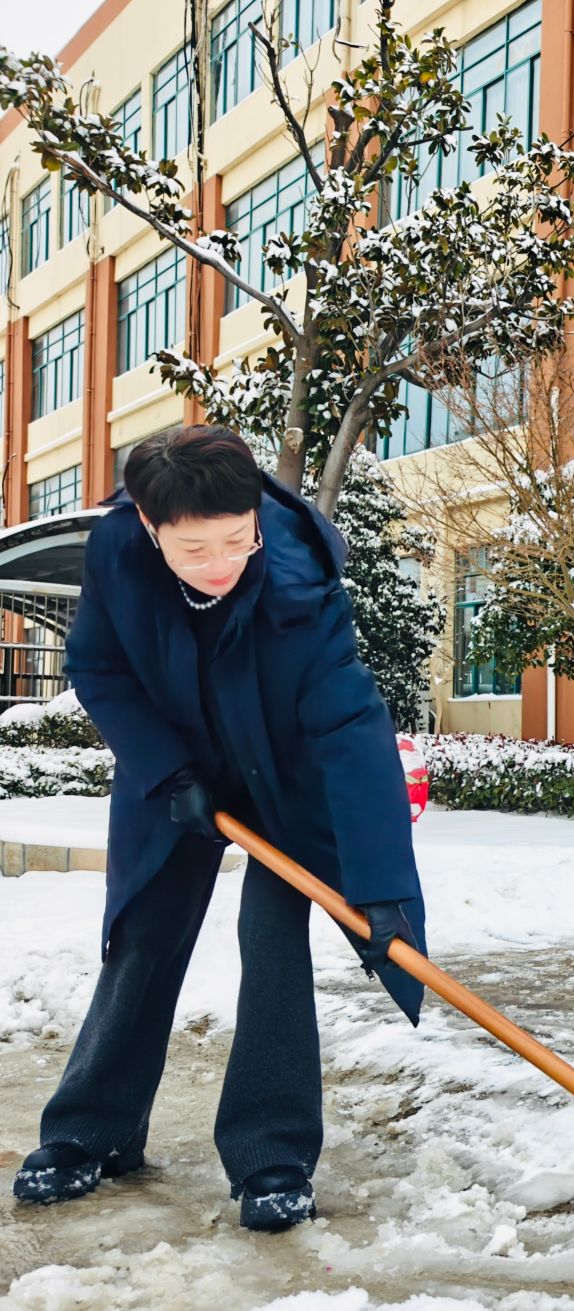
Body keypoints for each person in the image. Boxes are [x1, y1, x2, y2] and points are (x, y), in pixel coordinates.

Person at [12, 426, 425, 1232]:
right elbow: (99, 669)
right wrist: (169, 772)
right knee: (145, 934)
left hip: (283, 776)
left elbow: (349, 725)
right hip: (174, 770)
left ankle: (272, 1154)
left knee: (273, 941)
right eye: (195, 549)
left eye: (238, 540)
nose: (221, 564)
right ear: (149, 525)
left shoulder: (300, 581)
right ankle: (90, 1131)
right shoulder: (118, 555)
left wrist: (378, 890)